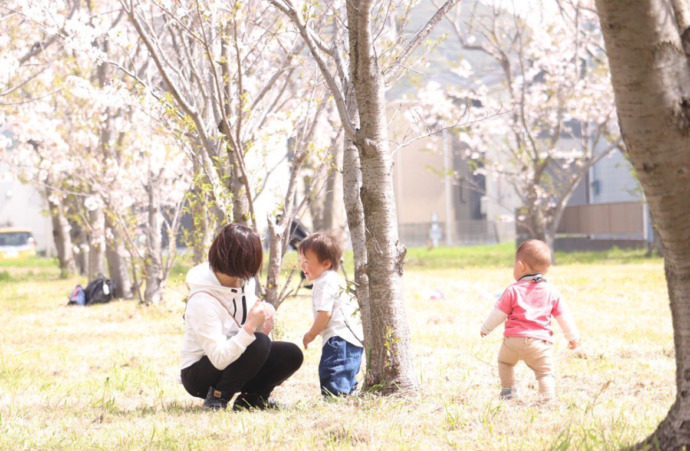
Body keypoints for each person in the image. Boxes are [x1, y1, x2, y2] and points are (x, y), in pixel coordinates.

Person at [180, 223, 304, 410]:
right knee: (259, 342)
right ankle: (217, 398)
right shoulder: (202, 300)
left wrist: (267, 309)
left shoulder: (244, 280)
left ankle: (252, 399)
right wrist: (249, 328)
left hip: (237, 358)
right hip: (199, 374)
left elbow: (250, 305)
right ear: (239, 261)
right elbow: (219, 358)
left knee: (291, 354)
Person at [480, 239, 579, 402]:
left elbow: (498, 313)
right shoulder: (551, 292)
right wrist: (572, 337)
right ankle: (547, 398)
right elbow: (564, 317)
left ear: (520, 266)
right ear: (546, 269)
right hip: (540, 344)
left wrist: (486, 328)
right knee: (545, 373)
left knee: (504, 362)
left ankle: (508, 391)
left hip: (513, 342)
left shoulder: (512, 290)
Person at [299, 232, 363, 397]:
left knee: (333, 370)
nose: (302, 266)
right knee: (346, 372)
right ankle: (349, 393)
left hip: (339, 338)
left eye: (306, 261)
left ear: (326, 263)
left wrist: (311, 334)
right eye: (301, 261)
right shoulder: (333, 279)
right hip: (352, 337)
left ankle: (336, 398)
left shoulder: (324, 282)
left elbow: (325, 313)